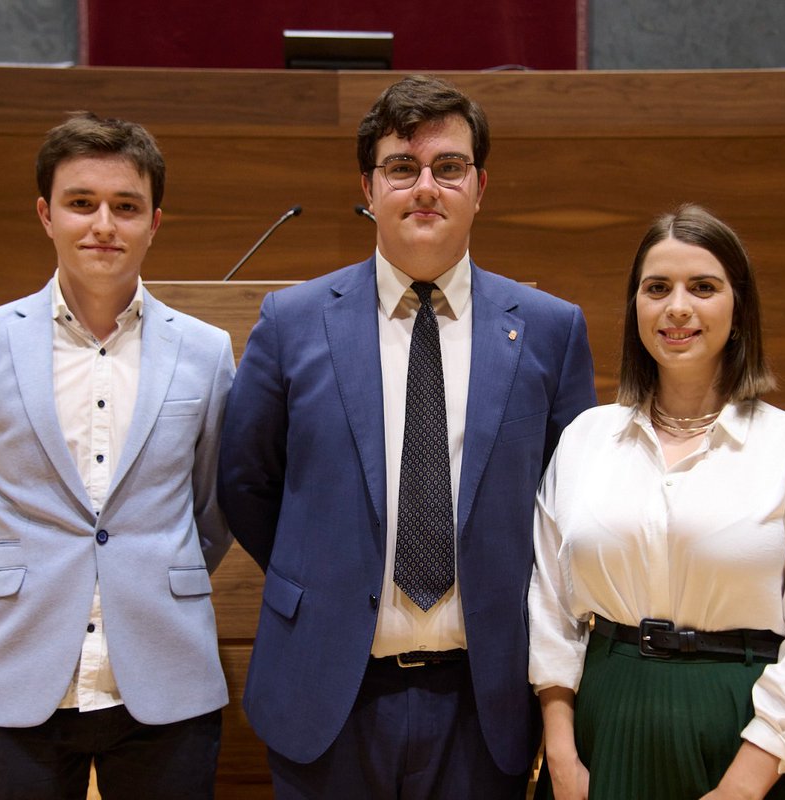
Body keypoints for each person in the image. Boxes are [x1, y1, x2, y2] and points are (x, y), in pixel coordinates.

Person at [218, 74, 597, 799]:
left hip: (483, 699)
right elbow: (245, 482)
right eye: (402, 167)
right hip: (327, 689)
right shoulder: (292, 322)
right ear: (369, 185)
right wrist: (332, 574)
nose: (426, 186)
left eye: (448, 167)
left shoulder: (551, 329)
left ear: (480, 187)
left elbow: (567, 507)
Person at [0, 112, 235, 799]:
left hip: (165, 675)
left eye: (126, 206)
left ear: (155, 221)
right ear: (46, 214)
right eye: (81, 203)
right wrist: (19, 581)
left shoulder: (208, 352)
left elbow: (214, 507)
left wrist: (152, 573)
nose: (104, 224)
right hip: (18, 671)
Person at [529, 204, 785, 799]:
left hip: (762, 742)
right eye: (657, 288)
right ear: (636, 305)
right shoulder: (585, 439)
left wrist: (744, 784)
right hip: (610, 729)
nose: (677, 307)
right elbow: (551, 609)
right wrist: (560, 751)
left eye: (704, 287)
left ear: (738, 309)